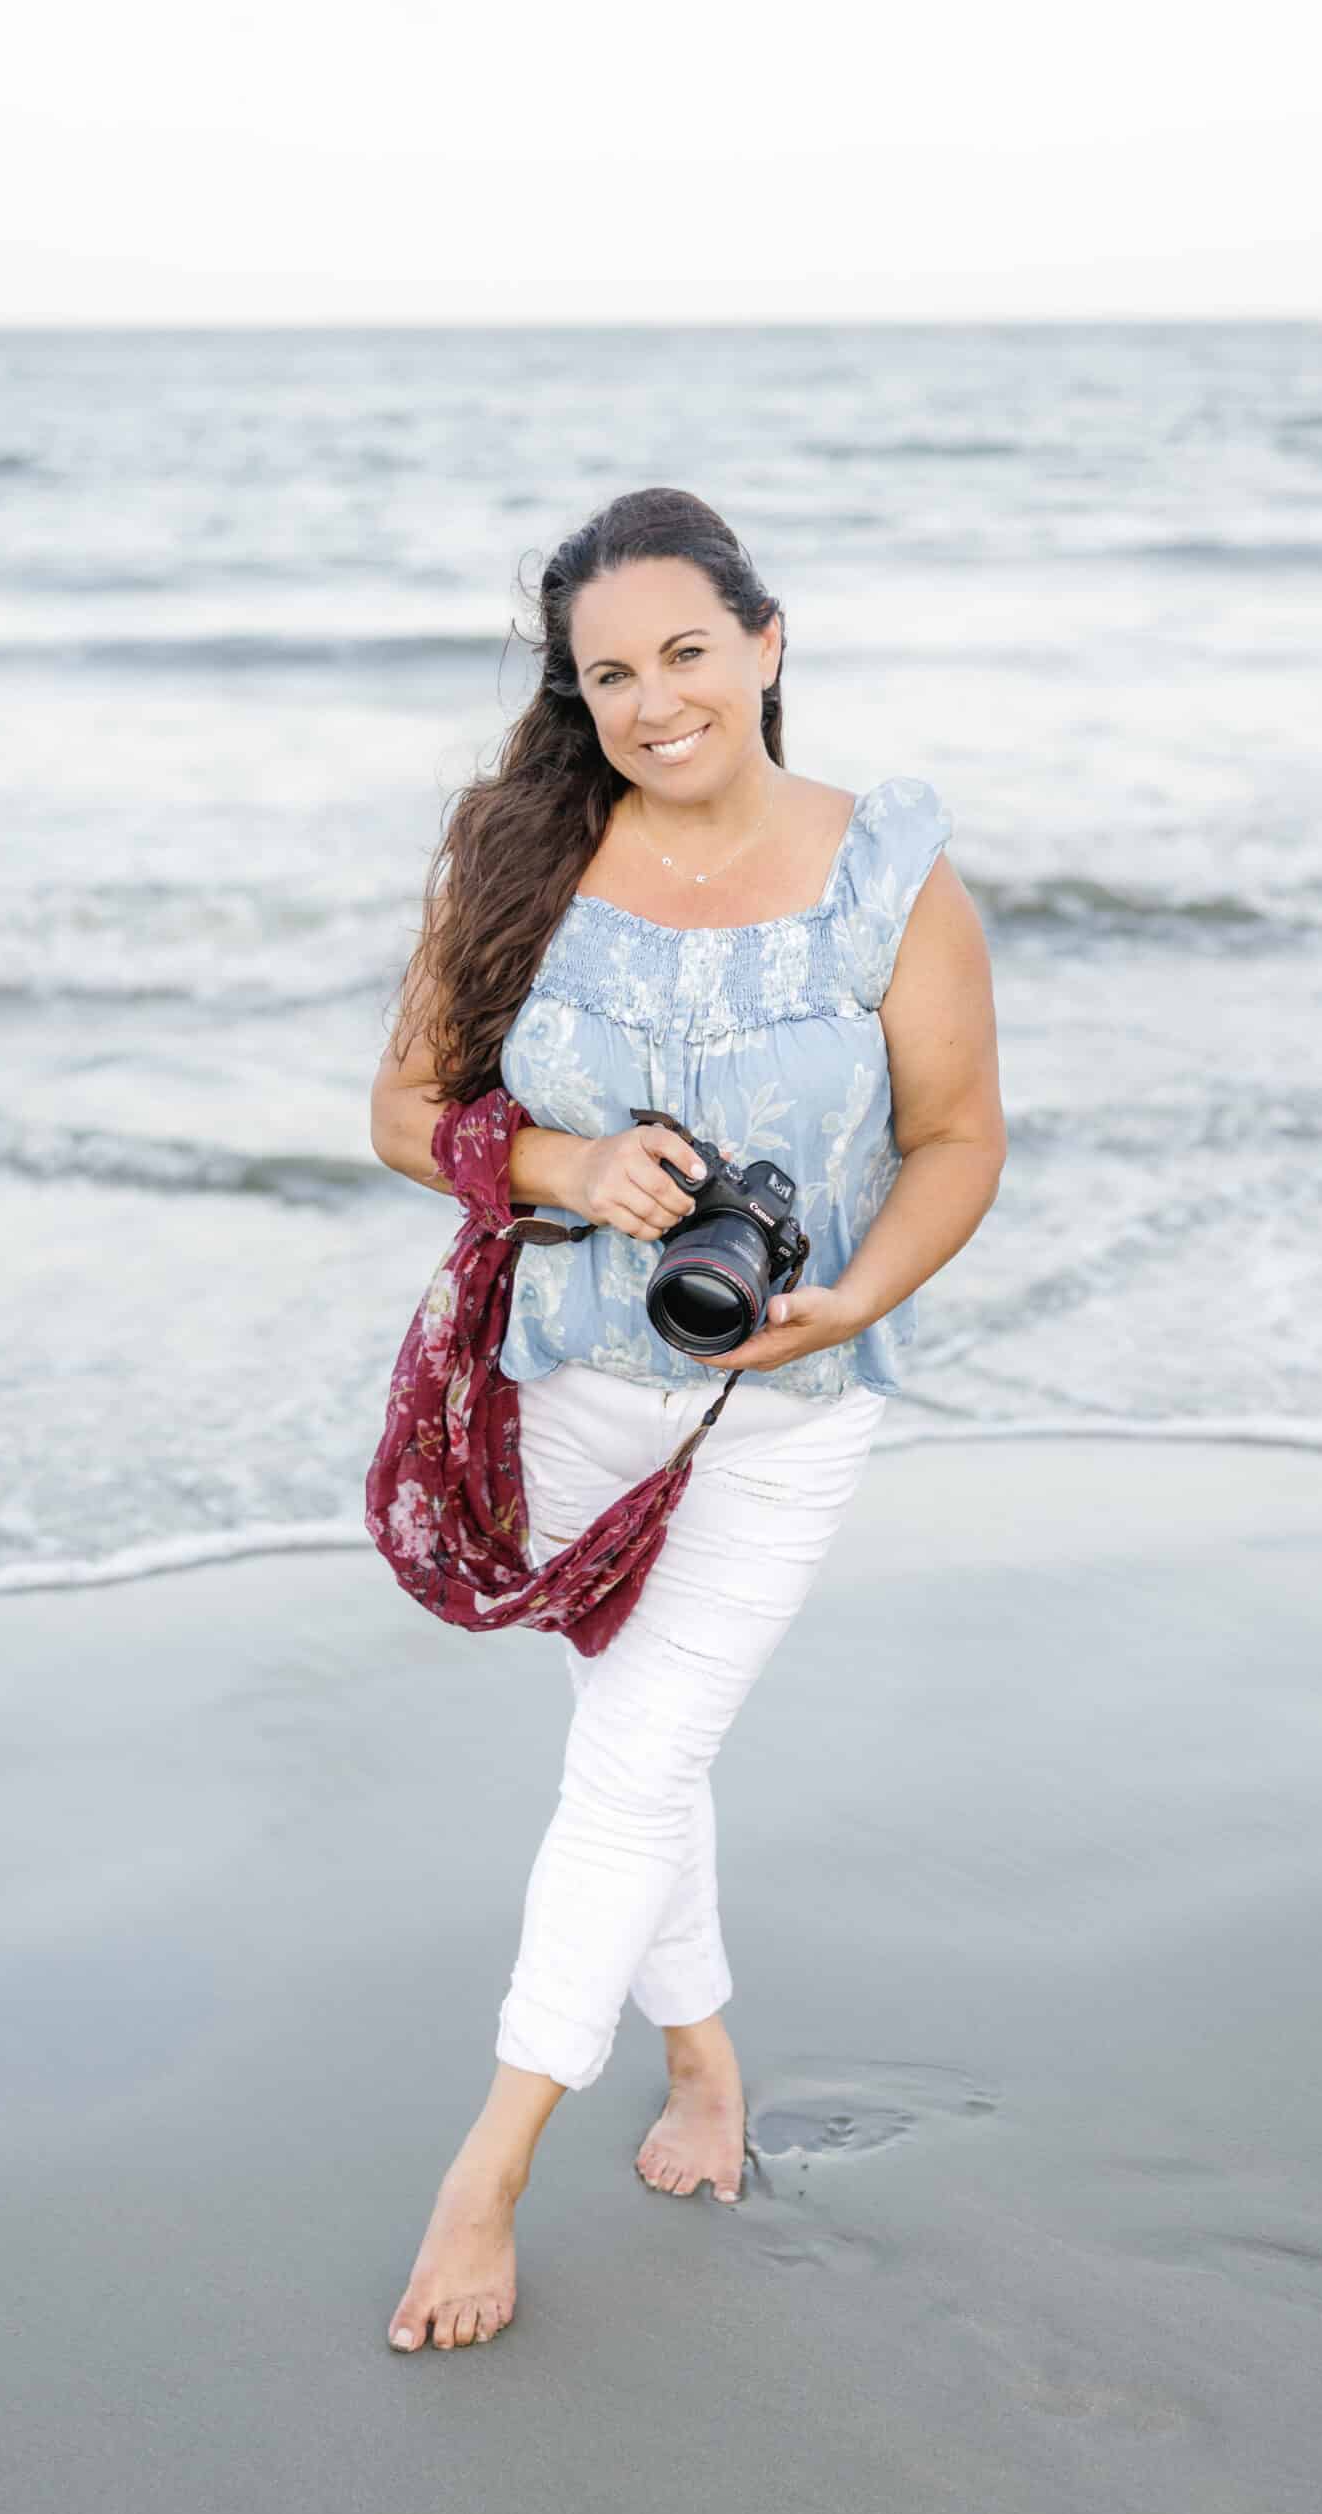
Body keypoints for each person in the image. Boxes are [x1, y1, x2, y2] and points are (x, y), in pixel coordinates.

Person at [369, 486, 1005, 2351]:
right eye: (610, 674)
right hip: (566, 1380)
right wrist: (557, 1155)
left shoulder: (889, 867)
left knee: (632, 1770)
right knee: (639, 1749)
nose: (654, 701)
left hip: (787, 1406)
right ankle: (705, 2057)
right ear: (577, 695)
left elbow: (959, 1139)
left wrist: (857, 1293)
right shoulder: (518, 851)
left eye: (688, 654)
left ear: (769, 642)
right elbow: (404, 1113)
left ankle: (484, 2176)